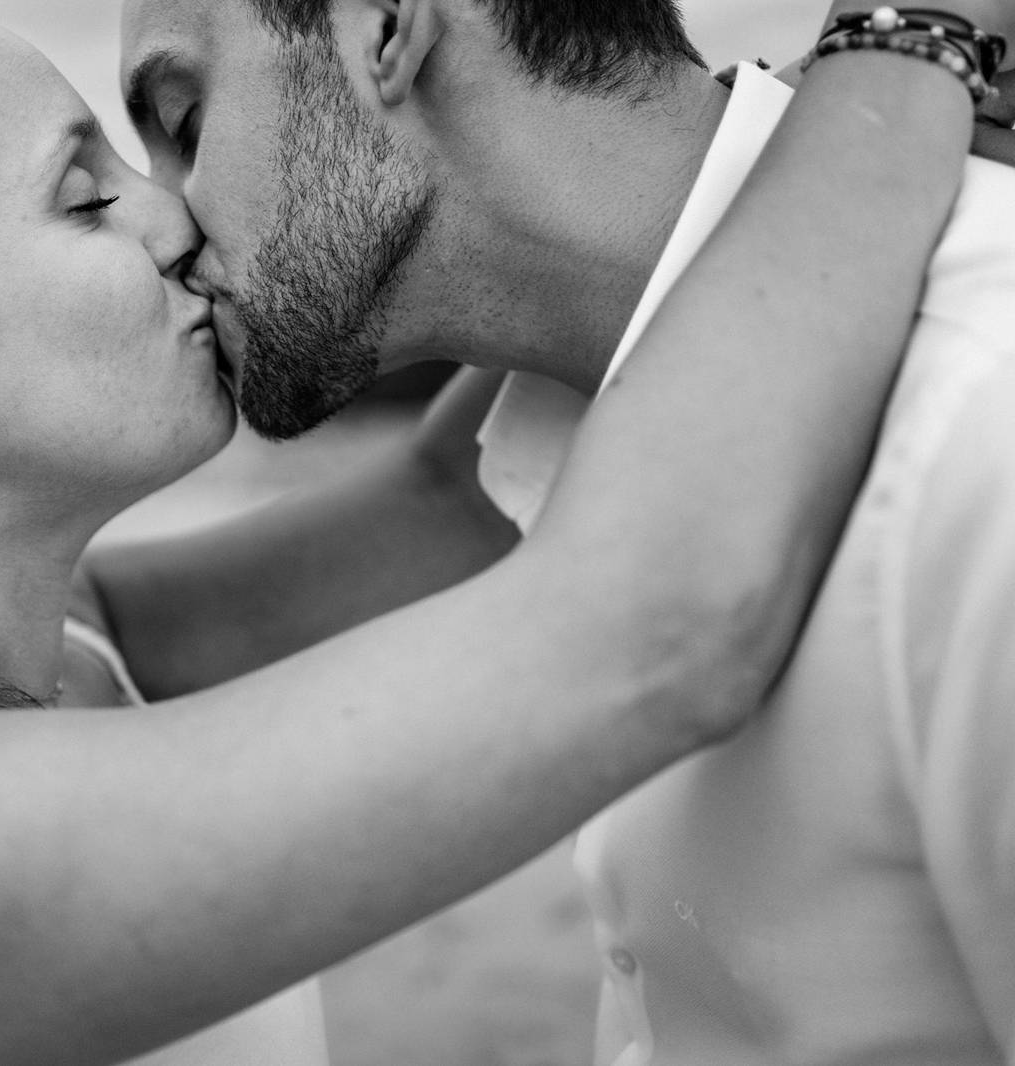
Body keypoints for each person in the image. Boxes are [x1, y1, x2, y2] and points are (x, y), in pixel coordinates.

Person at [0, 1, 983, 1064]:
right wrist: (916, 43)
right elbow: (640, 624)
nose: (176, 219)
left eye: (170, 140)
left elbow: (457, 499)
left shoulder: (64, 659)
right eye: (90, 194)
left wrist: (544, 191)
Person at [119, 0, 1015, 1061]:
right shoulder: (561, 428)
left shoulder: (975, 426)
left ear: (387, 26)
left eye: (183, 122)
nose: (163, 230)